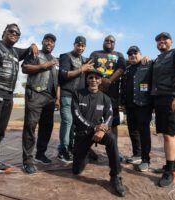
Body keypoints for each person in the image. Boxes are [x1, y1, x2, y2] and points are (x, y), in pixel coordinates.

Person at [0, 23, 38, 190]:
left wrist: (32, 45)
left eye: (17, 33)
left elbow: (26, 51)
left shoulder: (14, 52)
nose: (14, 34)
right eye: (11, 31)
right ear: (4, 32)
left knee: (0, 131)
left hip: (8, 97)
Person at [72, 69, 126, 197]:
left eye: (97, 78)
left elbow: (110, 116)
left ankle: (115, 176)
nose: (94, 80)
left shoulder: (105, 98)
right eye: (91, 77)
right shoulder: (77, 94)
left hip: (98, 133)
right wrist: (95, 127)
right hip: (82, 134)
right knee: (76, 171)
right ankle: (87, 154)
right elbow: (76, 115)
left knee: (111, 139)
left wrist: (102, 129)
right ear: (87, 80)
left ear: (100, 81)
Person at [151, 32, 175, 187]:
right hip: (159, 99)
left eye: (164, 39)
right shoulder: (158, 59)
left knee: (169, 135)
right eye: (158, 40)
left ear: (171, 42)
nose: (161, 41)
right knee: (165, 134)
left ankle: (170, 172)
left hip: (173, 98)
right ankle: (171, 164)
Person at [21, 33, 59, 174]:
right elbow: (24, 68)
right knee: (30, 127)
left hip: (50, 98)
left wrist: (57, 98)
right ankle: (27, 161)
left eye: (52, 41)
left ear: (54, 45)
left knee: (46, 128)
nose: (49, 43)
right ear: (43, 41)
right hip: (35, 94)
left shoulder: (55, 60)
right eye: (47, 40)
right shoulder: (35, 53)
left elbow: (57, 80)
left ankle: (40, 154)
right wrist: (44, 65)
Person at [57, 36, 94, 163]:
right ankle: (62, 150)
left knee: (75, 124)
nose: (80, 47)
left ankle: (71, 147)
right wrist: (81, 69)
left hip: (79, 97)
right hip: (67, 94)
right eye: (78, 45)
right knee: (67, 121)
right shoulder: (66, 56)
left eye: (83, 46)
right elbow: (64, 75)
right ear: (74, 45)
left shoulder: (85, 60)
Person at [89, 35, 126, 160]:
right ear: (103, 42)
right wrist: (100, 80)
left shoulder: (119, 55)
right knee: (91, 119)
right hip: (95, 93)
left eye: (111, 41)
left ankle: (114, 150)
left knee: (113, 123)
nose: (109, 42)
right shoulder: (95, 53)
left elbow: (121, 69)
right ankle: (87, 148)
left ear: (114, 43)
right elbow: (89, 66)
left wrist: (109, 81)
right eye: (107, 40)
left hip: (113, 95)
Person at [120, 46, 153, 171]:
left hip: (144, 105)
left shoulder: (148, 64)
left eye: (135, 53)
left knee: (144, 132)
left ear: (140, 54)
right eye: (130, 54)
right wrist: (122, 102)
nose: (132, 55)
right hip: (130, 105)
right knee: (133, 131)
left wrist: (148, 59)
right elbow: (123, 86)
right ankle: (137, 154)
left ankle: (146, 159)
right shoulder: (127, 69)